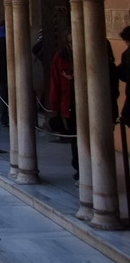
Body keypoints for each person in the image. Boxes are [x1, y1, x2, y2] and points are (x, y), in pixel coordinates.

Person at [49, 31, 78, 178]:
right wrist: (55, 106)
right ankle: (79, 167)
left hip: (88, 102)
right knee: (76, 136)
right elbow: (56, 82)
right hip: (69, 103)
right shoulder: (61, 58)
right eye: (72, 42)